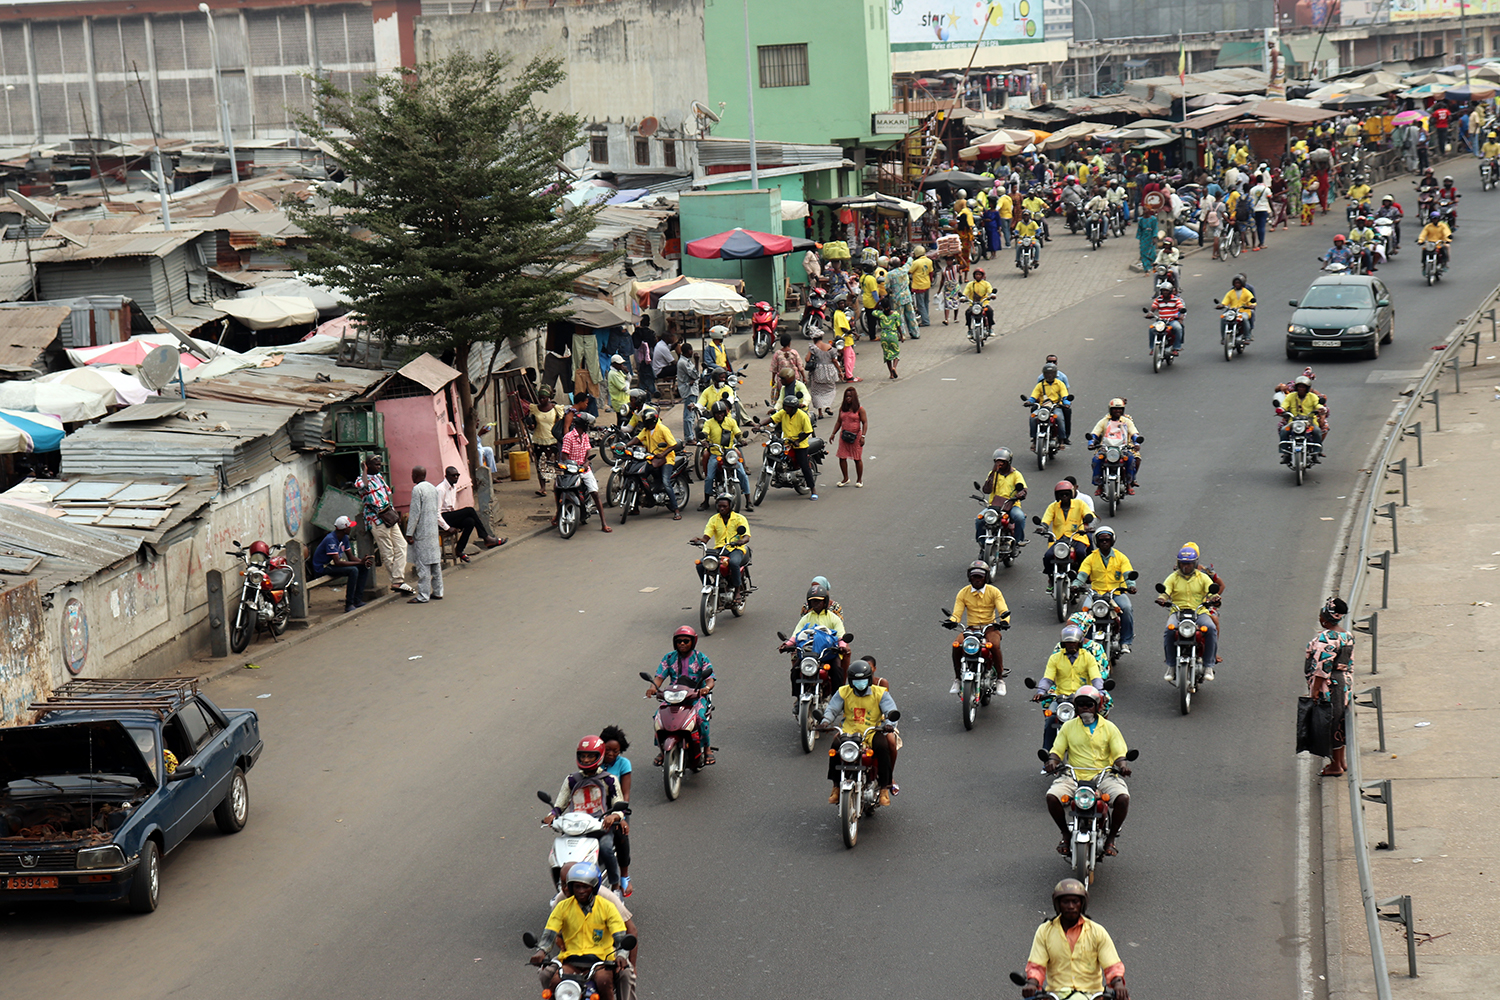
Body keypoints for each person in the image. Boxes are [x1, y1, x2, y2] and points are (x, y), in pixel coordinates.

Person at [1044, 686, 1132, 859]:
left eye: (1089, 704)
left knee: (1123, 798)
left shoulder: (1110, 728)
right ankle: (1065, 834)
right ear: (1075, 707)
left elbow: (1119, 754)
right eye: (1081, 704)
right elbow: (1057, 751)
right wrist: (1052, 762)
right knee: (1052, 797)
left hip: (1103, 776)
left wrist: (1122, 766)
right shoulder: (1068, 727)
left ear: (1097, 706)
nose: (1085, 707)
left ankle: (1111, 839)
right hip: (1074, 775)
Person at [528, 861, 629, 1000]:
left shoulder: (607, 907)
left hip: (601, 961)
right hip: (572, 961)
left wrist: (621, 955)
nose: (581, 891)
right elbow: (550, 932)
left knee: (604, 982)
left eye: (585, 887)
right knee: (555, 983)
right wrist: (541, 951)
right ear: (571, 887)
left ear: (593, 887)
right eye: (577, 887)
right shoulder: (562, 907)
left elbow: (620, 936)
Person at [543, 736, 628, 890]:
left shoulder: (609, 780)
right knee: (557, 854)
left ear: (599, 756)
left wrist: (613, 816)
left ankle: (615, 886)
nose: (586, 760)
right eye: (583, 756)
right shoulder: (571, 780)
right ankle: (561, 888)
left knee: (607, 848)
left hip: (599, 827)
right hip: (573, 828)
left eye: (590, 756)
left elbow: (619, 806)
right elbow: (559, 805)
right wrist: (552, 815)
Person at [1021, 881, 1129, 1000]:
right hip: (1056, 994)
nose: (1071, 906)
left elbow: (1112, 966)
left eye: (1075, 901)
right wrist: (1031, 984)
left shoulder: (1097, 931)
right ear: (1058, 904)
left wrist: (1118, 984)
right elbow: (1036, 967)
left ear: (1082, 904)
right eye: (1066, 902)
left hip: (1092, 995)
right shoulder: (1045, 931)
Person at [821, 658, 899, 806]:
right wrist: (825, 721)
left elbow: (891, 711)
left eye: (863, 680)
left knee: (883, 748)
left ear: (869, 679)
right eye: (856, 680)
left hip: (872, 731)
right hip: (848, 732)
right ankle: (836, 787)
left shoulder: (880, 693)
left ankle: (883, 789)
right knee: (834, 748)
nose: (860, 683)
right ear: (850, 681)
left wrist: (889, 724)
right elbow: (832, 709)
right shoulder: (843, 692)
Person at [646, 626, 716, 765]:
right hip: (674, 697)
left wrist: (706, 688)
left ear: (693, 642)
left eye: (685, 641)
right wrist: (653, 688)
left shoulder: (700, 657)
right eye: (679, 641)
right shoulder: (669, 658)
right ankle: (662, 751)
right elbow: (659, 677)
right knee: (658, 718)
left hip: (696, 696)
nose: (682, 644)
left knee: (701, 718)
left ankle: (707, 749)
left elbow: (710, 678)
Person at [944, 560, 1011, 695]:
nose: (977, 579)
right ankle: (957, 678)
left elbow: (1003, 609)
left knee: (995, 645)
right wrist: (951, 621)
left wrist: (1004, 621)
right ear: (969, 577)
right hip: (971, 629)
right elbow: (957, 613)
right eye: (974, 576)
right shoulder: (963, 593)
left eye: (980, 576)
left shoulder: (994, 592)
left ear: (986, 577)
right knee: (957, 645)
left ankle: (999, 678)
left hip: (990, 628)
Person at [1305, 597, 1355, 776]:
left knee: (1331, 723)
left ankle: (1335, 766)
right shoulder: (1347, 635)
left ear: (1325, 617)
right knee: (1339, 722)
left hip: (1330, 685)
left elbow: (1321, 667)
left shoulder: (1326, 638)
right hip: (1343, 683)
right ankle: (1341, 762)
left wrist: (1315, 690)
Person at [1156, 544, 1221, 682]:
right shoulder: (1173, 577)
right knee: (1169, 630)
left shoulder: (1202, 577)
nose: (1186, 567)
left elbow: (1211, 591)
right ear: (1178, 563)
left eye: (1189, 564)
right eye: (1183, 564)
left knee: (1211, 628)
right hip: (1177, 612)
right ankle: (1171, 665)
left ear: (1195, 563)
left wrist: (1214, 598)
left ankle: (1208, 665)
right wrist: (1162, 599)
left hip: (1199, 612)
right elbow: (1165, 591)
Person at [354, 454, 411, 594]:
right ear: (367, 465)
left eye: (380, 465)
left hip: (388, 516)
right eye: (376, 465)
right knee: (387, 551)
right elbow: (364, 486)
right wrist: (365, 470)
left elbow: (387, 495)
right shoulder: (361, 479)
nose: (379, 467)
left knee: (402, 545)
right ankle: (397, 581)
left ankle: (397, 580)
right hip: (376, 520)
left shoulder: (380, 477)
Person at [1074, 525, 1135, 653]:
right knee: (1084, 613)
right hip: (1095, 593)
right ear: (1097, 542)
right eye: (1101, 540)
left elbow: (1128, 574)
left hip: (1116, 593)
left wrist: (1131, 586)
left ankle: (1125, 641)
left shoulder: (1121, 557)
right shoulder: (1090, 558)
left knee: (1127, 609)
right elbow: (1082, 575)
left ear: (1112, 541)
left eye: (1107, 540)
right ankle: (1086, 641)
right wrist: (1076, 585)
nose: (1104, 542)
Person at [553, 411, 612, 533]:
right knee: (558, 488)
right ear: (584, 425)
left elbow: (588, 452)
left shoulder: (584, 436)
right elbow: (564, 455)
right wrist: (570, 465)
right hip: (571, 470)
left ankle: (603, 523)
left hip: (584, 470)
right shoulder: (568, 437)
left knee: (595, 493)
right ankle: (558, 512)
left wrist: (586, 463)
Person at [691, 493, 750, 603]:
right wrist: (699, 540)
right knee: (700, 565)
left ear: (730, 506)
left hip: (735, 549)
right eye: (719, 506)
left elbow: (746, 536)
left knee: (734, 563)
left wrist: (741, 541)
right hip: (719, 550)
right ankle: (710, 586)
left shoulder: (739, 518)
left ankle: (737, 590)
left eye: (724, 506)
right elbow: (706, 537)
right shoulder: (714, 519)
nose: (721, 508)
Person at [436, 467, 505, 560]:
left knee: (470, 521)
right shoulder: (440, 490)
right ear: (446, 476)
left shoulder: (453, 488)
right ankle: (486, 537)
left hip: (450, 516)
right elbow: (436, 513)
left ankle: (459, 550)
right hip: (441, 520)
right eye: (453, 476)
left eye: (457, 475)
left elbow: (453, 508)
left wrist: (458, 521)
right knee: (469, 510)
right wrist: (447, 528)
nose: (456, 477)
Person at [1039, 480, 1095, 592]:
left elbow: (1089, 514)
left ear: (1071, 494)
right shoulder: (1053, 507)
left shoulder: (1080, 504)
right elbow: (1046, 519)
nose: (1064, 496)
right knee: (1047, 556)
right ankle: (1051, 578)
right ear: (1057, 496)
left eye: (1067, 494)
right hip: (1059, 539)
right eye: (1061, 494)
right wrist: (1043, 527)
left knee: (1081, 553)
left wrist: (1087, 523)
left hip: (1077, 537)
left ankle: (1081, 579)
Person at [597, 728, 634, 894]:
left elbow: (625, 794)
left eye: (615, 751)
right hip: (594, 810)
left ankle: (624, 877)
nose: (610, 754)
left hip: (615, 809)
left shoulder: (624, 764)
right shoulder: (592, 761)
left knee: (621, 836)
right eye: (607, 750)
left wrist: (620, 815)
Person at [311, 515, 372, 613]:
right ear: (344, 529)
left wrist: (362, 562)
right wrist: (359, 562)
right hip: (323, 567)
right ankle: (349, 604)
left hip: (333, 565)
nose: (351, 528)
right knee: (353, 570)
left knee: (363, 567)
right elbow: (338, 562)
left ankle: (357, 600)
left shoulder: (344, 538)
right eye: (349, 527)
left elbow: (351, 557)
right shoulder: (331, 539)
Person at [698, 401, 751, 508]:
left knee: (743, 474)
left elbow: (738, 433)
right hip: (715, 453)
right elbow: (705, 432)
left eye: (721, 412)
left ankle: (748, 501)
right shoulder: (709, 423)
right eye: (717, 413)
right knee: (709, 478)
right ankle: (706, 501)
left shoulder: (731, 421)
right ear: (714, 414)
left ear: (725, 413)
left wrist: (741, 440)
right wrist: (703, 439)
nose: (720, 415)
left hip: (730, 453)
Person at [631, 407, 681, 520]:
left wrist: (663, 454)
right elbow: (637, 439)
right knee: (639, 475)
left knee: (666, 482)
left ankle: (676, 510)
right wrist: (625, 445)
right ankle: (635, 507)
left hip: (666, 459)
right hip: (651, 458)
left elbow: (673, 444)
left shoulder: (663, 429)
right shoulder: (647, 430)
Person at [1086, 397, 1142, 493]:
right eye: (1115, 409)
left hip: (1123, 448)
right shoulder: (1104, 421)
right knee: (1096, 459)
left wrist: (1136, 443)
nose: (1117, 411)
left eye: (1120, 409)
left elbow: (1134, 434)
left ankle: (1129, 483)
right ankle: (1099, 485)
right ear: (1110, 410)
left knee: (1131, 459)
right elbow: (1095, 434)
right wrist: (1091, 443)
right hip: (1106, 448)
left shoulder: (1127, 421)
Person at [404, 466, 443, 604]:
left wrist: (409, 533)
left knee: (423, 565)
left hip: (422, 532)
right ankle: (438, 591)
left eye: (412, 474)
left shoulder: (417, 489)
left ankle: (423, 595)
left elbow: (415, 513)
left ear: (416, 475)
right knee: (435, 563)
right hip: (433, 530)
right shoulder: (432, 488)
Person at [769, 394, 818, 500]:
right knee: (773, 454)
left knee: (804, 465)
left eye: (788, 407)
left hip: (800, 445)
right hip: (786, 443)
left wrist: (798, 440)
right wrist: (759, 425)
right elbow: (772, 419)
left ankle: (813, 489)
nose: (786, 408)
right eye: (785, 406)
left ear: (794, 408)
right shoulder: (784, 413)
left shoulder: (802, 416)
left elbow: (808, 431)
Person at [980, 447, 1028, 547]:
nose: (1000, 464)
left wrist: (1020, 494)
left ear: (1009, 462)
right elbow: (986, 490)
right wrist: (993, 473)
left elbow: (1023, 489)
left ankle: (1018, 540)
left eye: (1002, 462)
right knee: (979, 519)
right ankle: (982, 542)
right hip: (994, 506)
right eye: (997, 462)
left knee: (1019, 517)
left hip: (1011, 505)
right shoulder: (993, 474)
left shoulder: (1016, 474)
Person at [1276, 374, 1329, 463]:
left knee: (1317, 431)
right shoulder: (1290, 396)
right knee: (1284, 430)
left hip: (1309, 422)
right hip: (1293, 422)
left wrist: (1321, 408)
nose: (1301, 389)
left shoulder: (1313, 397)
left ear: (1307, 388)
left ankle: (1316, 453)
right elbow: (1284, 405)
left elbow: (1317, 404)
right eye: (1299, 387)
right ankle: (1285, 454)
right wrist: (1281, 409)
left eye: (1303, 387)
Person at [526, 386, 565, 496]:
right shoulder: (534, 409)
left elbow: (559, 424)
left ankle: (556, 484)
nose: (541, 400)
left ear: (549, 398)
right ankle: (542, 488)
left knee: (554, 464)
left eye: (543, 398)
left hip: (552, 440)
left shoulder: (556, 409)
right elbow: (532, 424)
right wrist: (531, 426)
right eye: (540, 398)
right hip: (539, 440)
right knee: (540, 464)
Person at [1025, 362, 1072, 447]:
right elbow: (1034, 396)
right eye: (1047, 374)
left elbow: (1065, 396)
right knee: (1032, 418)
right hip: (1043, 408)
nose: (1049, 376)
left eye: (1051, 373)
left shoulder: (1060, 384)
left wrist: (1067, 403)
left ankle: (1062, 440)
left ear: (1055, 374)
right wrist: (1029, 401)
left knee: (1060, 418)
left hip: (1056, 407)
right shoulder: (1040, 385)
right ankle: (1034, 440)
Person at [834, 386, 867, 488]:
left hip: (856, 437)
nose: (848, 398)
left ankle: (859, 479)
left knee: (857, 458)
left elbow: (865, 422)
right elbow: (839, 422)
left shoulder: (860, 410)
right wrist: (833, 433)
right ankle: (845, 478)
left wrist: (863, 436)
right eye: (846, 396)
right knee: (842, 457)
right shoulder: (842, 409)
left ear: (854, 397)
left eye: (850, 396)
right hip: (844, 436)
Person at [806, 332, 840, 415]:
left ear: (814, 339)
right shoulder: (829, 347)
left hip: (817, 372)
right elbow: (834, 360)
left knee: (817, 391)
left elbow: (807, 359)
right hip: (829, 371)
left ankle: (820, 412)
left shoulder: (813, 348)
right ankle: (828, 407)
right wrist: (840, 371)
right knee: (830, 389)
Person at [1147, 283, 1185, 354]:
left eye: (1166, 290)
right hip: (1161, 321)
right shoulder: (1158, 299)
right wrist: (1149, 314)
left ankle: (1176, 348)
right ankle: (1152, 348)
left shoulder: (1175, 299)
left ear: (1170, 291)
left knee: (1178, 328)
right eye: (1163, 290)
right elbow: (1153, 309)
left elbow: (1180, 308)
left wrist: (1181, 315)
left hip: (1172, 320)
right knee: (1151, 329)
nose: (1165, 292)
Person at [1220, 273, 1257, 340]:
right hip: (1232, 311)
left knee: (1244, 319)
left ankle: (1247, 336)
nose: (1237, 284)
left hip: (1243, 311)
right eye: (1236, 283)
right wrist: (1222, 305)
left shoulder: (1247, 292)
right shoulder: (1230, 292)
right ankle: (1223, 337)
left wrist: (1252, 305)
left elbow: (1251, 300)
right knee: (1223, 318)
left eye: (1238, 283)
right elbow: (1225, 301)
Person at [675, 343, 699, 443]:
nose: (692, 352)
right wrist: (697, 361)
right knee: (689, 415)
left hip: (692, 390)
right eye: (691, 350)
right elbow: (695, 374)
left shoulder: (687, 361)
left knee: (692, 415)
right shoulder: (683, 363)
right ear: (688, 351)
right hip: (689, 391)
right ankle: (689, 437)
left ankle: (691, 435)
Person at [876, 295, 902, 381]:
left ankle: (891, 373)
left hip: (884, 336)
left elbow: (873, 310)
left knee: (887, 355)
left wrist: (879, 301)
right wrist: (901, 336)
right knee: (896, 353)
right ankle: (894, 367)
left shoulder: (880, 314)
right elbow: (898, 326)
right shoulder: (895, 314)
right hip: (893, 335)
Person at [960, 268, 995, 333]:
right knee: (968, 312)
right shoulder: (970, 284)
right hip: (973, 304)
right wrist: (963, 297)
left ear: (982, 276)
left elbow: (990, 290)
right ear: (974, 275)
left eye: (979, 274)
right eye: (976, 274)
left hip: (984, 303)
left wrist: (992, 295)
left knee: (990, 311)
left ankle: (990, 328)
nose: (978, 276)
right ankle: (969, 329)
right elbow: (965, 292)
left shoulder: (986, 284)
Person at [833, 301, 858, 382]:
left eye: (843, 303)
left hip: (845, 340)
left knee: (850, 356)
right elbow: (843, 328)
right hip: (844, 340)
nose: (842, 305)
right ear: (837, 305)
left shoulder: (839, 313)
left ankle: (848, 374)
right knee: (849, 357)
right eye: (840, 303)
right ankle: (849, 376)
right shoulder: (839, 314)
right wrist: (852, 332)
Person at [909, 246, 934, 325]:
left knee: (920, 304)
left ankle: (925, 321)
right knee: (926, 302)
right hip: (927, 284)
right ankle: (925, 317)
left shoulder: (916, 262)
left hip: (919, 285)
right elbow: (931, 273)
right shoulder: (929, 261)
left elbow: (910, 271)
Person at [859, 265, 881, 340]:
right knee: (872, 321)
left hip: (865, 299)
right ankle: (873, 337)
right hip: (871, 302)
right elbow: (874, 292)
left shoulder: (863, 277)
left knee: (869, 319)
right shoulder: (871, 279)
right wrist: (879, 302)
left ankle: (872, 335)